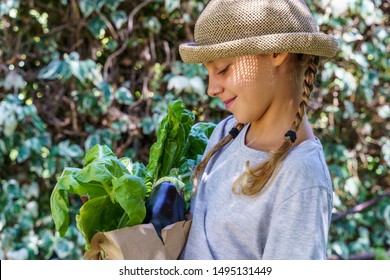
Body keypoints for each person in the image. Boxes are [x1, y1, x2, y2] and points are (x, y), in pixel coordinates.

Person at [178, 0, 338, 260]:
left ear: (276, 52)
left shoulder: (301, 177)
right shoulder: (226, 134)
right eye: (208, 73)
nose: (211, 89)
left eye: (223, 69)